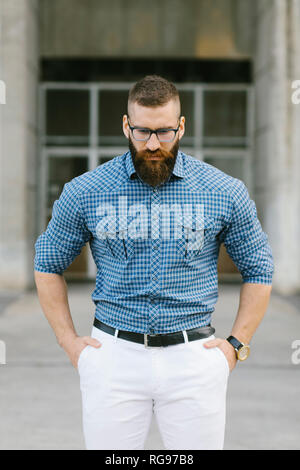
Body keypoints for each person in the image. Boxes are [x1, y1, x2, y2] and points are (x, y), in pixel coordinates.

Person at [34, 75, 274, 450]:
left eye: (164, 132)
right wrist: (69, 343)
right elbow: (48, 264)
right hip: (112, 358)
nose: (152, 144)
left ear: (181, 126)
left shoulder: (224, 190)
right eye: (143, 132)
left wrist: (236, 345)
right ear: (126, 126)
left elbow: (259, 269)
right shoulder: (85, 191)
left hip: (195, 358)